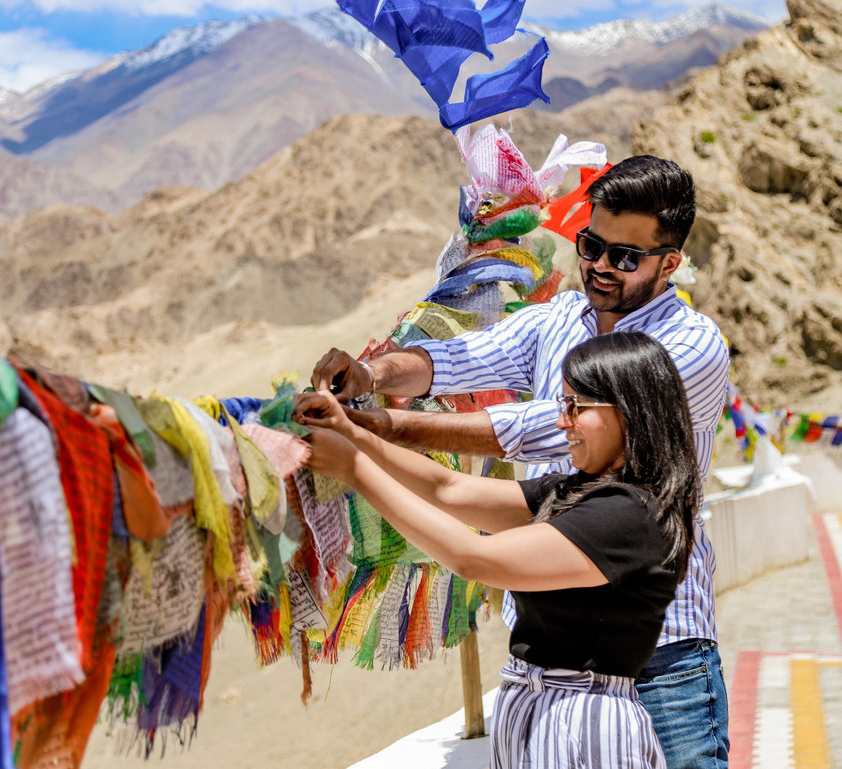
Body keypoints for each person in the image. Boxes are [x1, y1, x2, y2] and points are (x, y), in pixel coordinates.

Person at [311, 155, 731, 769]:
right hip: (544, 667)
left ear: (670, 263)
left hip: (660, 660)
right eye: (591, 246)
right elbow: (452, 370)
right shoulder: (558, 338)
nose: (600, 266)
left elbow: (530, 434)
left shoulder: (687, 350)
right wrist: (370, 376)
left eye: (624, 257)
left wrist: (379, 432)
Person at [296, 331, 698, 768]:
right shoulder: (580, 493)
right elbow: (448, 488)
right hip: (544, 711)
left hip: (581, 723)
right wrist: (349, 430)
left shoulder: (627, 514)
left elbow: (474, 558)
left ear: (631, 412)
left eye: (576, 407)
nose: (563, 422)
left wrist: (354, 468)